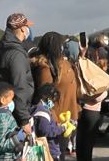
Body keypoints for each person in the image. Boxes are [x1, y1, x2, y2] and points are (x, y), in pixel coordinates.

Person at [30, 31, 81, 160]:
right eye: (60, 45)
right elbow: (45, 98)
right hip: (57, 121)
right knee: (58, 154)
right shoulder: (45, 68)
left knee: (62, 151)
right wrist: (56, 124)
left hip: (68, 118)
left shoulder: (62, 63)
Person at [0, 13, 35, 138]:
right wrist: (24, 120)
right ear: (22, 28)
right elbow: (19, 87)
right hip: (15, 115)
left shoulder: (3, 47)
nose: (28, 29)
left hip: (6, 108)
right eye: (27, 26)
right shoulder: (16, 54)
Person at [31, 84, 71, 160]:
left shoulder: (35, 109)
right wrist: (62, 128)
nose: (53, 103)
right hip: (48, 150)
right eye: (53, 100)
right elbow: (46, 131)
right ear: (45, 96)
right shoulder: (42, 112)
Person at [0, 82, 25, 161]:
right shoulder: (3, 119)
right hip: (6, 158)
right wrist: (17, 138)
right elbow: (1, 145)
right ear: (3, 100)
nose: (12, 102)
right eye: (11, 99)